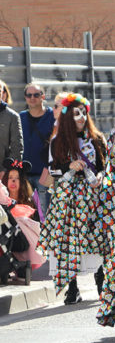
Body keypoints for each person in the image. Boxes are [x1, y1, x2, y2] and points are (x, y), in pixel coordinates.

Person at [38, 93, 107, 304]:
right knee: (68, 241)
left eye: (83, 113)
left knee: (97, 239)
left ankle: (101, 283)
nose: (81, 118)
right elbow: (52, 170)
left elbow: (106, 168)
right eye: (76, 114)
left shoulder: (97, 139)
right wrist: (69, 166)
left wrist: (100, 177)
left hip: (94, 197)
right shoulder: (57, 142)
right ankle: (73, 288)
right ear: (68, 117)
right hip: (67, 199)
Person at [20, 83, 55, 215]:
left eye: (36, 94)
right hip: (24, 175)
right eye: (29, 95)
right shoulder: (20, 117)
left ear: (43, 96)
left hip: (44, 174)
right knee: (25, 214)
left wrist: (50, 171)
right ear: (25, 97)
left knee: (45, 213)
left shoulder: (52, 116)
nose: (32, 98)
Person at [0, 82, 23, 166]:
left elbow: (17, 147)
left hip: (3, 172)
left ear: (3, 93)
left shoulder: (12, 116)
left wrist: (7, 170)